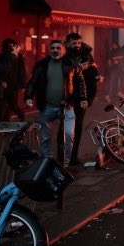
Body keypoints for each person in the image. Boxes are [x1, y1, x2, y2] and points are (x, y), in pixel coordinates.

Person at [24, 40, 87, 164]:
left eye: (58, 48)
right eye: (53, 48)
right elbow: (33, 81)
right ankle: (46, 162)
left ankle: (65, 164)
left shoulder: (72, 65)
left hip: (67, 106)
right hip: (47, 107)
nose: (55, 50)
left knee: (69, 135)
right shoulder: (41, 65)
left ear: (63, 50)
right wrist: (28, 96)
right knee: (45, 138)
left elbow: (80, 82)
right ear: (48, 50)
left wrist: (83, 98)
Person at [64, 33, 100, 166]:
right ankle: (64, 155)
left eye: (79, 43)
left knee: (78, 125)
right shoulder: (64, 56)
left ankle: (73, 155)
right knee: (66, 128)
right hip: (68, 95)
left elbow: (94, 69)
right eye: (74, 43)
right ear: (68, 44)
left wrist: (96, 76)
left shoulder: (87, 54)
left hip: (83, 95)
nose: (77, 46)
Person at [0, 38, 26, 122]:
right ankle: (5, 121)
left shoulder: (19, 57)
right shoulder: (0, 57)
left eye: (12, 46)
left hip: (13, 85)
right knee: (1, 105)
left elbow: (22, 71)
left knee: (12, 105)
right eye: (8, 45)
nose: (10, 47)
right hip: (3, 85)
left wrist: (23, 84)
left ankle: (21, 116)